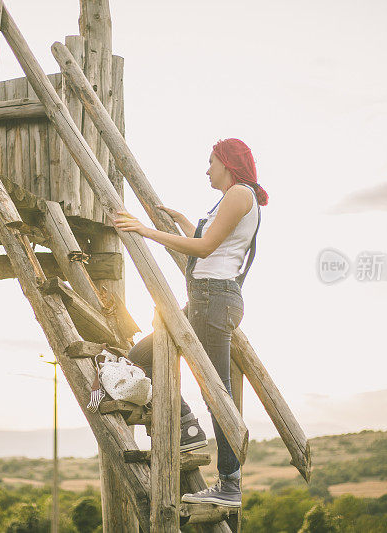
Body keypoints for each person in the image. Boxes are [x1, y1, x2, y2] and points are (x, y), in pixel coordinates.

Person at [113, 138, 268, 508]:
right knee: (141, 356)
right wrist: (184, 222)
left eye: (211, 162)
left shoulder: (239, 195)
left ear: (228, 163)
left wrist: (144, 231)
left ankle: (229, 483)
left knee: (217, 392)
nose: (207, 169)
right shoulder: (232, 198)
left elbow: (204, 250)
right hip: (205, 299)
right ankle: (187, 425)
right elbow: (211, 246)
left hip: (213, 300)